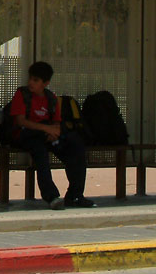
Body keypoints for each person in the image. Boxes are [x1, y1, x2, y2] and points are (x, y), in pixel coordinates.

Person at [7, 61, 94, 209]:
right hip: (26, 135)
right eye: (31, 79)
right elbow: (21, 121)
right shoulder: (22, 94)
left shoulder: (51, 98)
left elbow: (56, 123)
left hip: (47, 135)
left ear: (45, 83)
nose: (31, 83)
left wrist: (54, 133)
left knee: (76, 147)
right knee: (41, 155)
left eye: (36, 80)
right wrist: (46, 129)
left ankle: (75, 194)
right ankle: (52, 196)